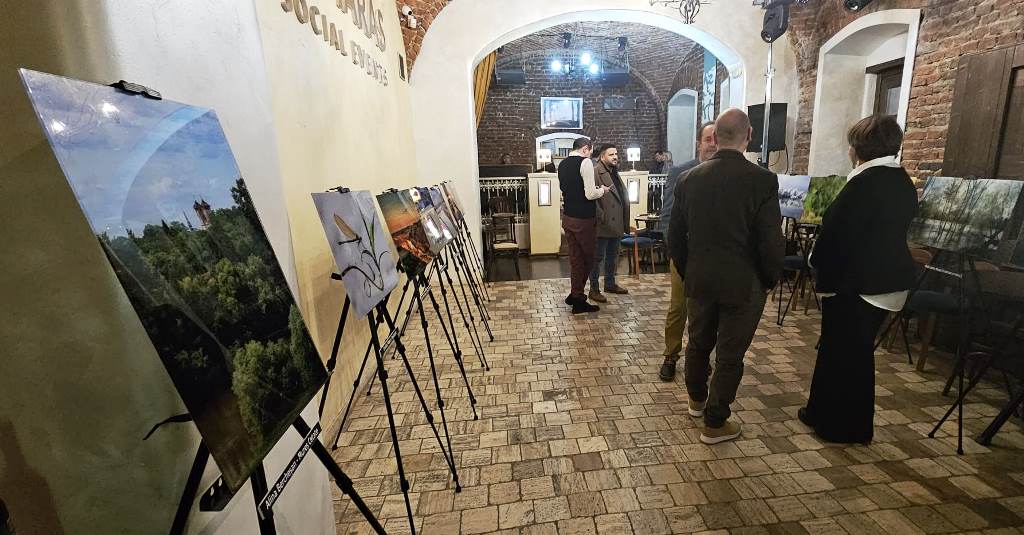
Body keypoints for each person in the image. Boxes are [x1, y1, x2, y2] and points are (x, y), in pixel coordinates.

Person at [799, 115, 918, 444]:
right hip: (885, 279)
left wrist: (815, 260)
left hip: (861, 282)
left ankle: (841, 427)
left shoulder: (865, 183)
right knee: (844, 351)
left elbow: (837, 234)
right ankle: (820, 412)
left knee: (846, 356)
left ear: (858, 148)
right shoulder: (900, 180)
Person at [669, 108, 784, 444]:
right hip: (743, 283)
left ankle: (696, 400)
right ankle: (715, 423)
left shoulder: (689, 179)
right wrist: (769, 278)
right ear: (749, 135)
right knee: (730, 355)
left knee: (698, 343)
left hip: (700, 279)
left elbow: (675, 238)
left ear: (715, 138)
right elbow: (770, 239)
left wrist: (689, 270)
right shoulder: (763, 180)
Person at [659, 122, 717, 382]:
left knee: (706, 311)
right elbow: (668, 214)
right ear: (699, 143)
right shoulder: (681, 172)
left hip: (714, 257)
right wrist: (674, 249)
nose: (713, 144)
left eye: (717, 139)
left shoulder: (727, 174)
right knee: (678, 308)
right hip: (685, 254)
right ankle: (671, 355)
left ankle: (700, 358)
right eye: (708, 139)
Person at [559, 137, 610, 314]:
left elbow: (568, 189)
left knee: (575, 259)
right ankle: (578, 299)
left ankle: (575, 294)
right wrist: (602, 190)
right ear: (585, 149)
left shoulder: (562, 164)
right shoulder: (585, 162)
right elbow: (589, 194)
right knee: (589, 258)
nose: (591, 155)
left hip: (568, 217)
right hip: (583, 219)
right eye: (591, 151)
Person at [589, 144, 630, 302]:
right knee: (597, 258)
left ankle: (610, 283)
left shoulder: (614, 172)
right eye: (611, 154)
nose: (615, 157)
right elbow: (591, 197)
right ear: (602, 157)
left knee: (613, 256)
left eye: (616, 154)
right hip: (603, 223)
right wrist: (601, 216)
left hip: (616, 222)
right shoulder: (595, 172)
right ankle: (594, 289)